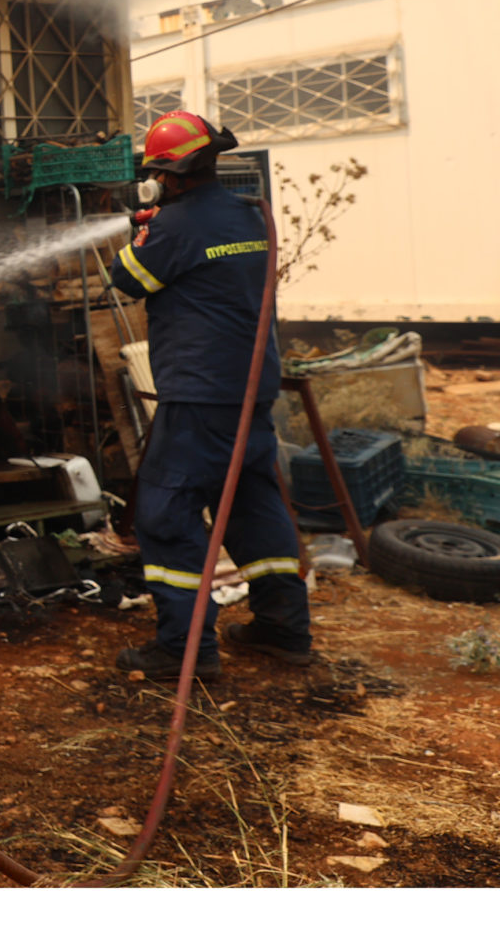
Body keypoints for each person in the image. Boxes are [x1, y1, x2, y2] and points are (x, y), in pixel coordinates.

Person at [105, 111, 312, 677]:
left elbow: (127, 280)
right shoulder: (250, 216)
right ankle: (284, 629)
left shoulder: (173, 227)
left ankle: (183, 648)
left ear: (167, 176)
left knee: (164, 512)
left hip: (198, 395)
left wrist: (141, 227)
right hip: (250, 389)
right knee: (252, 502)